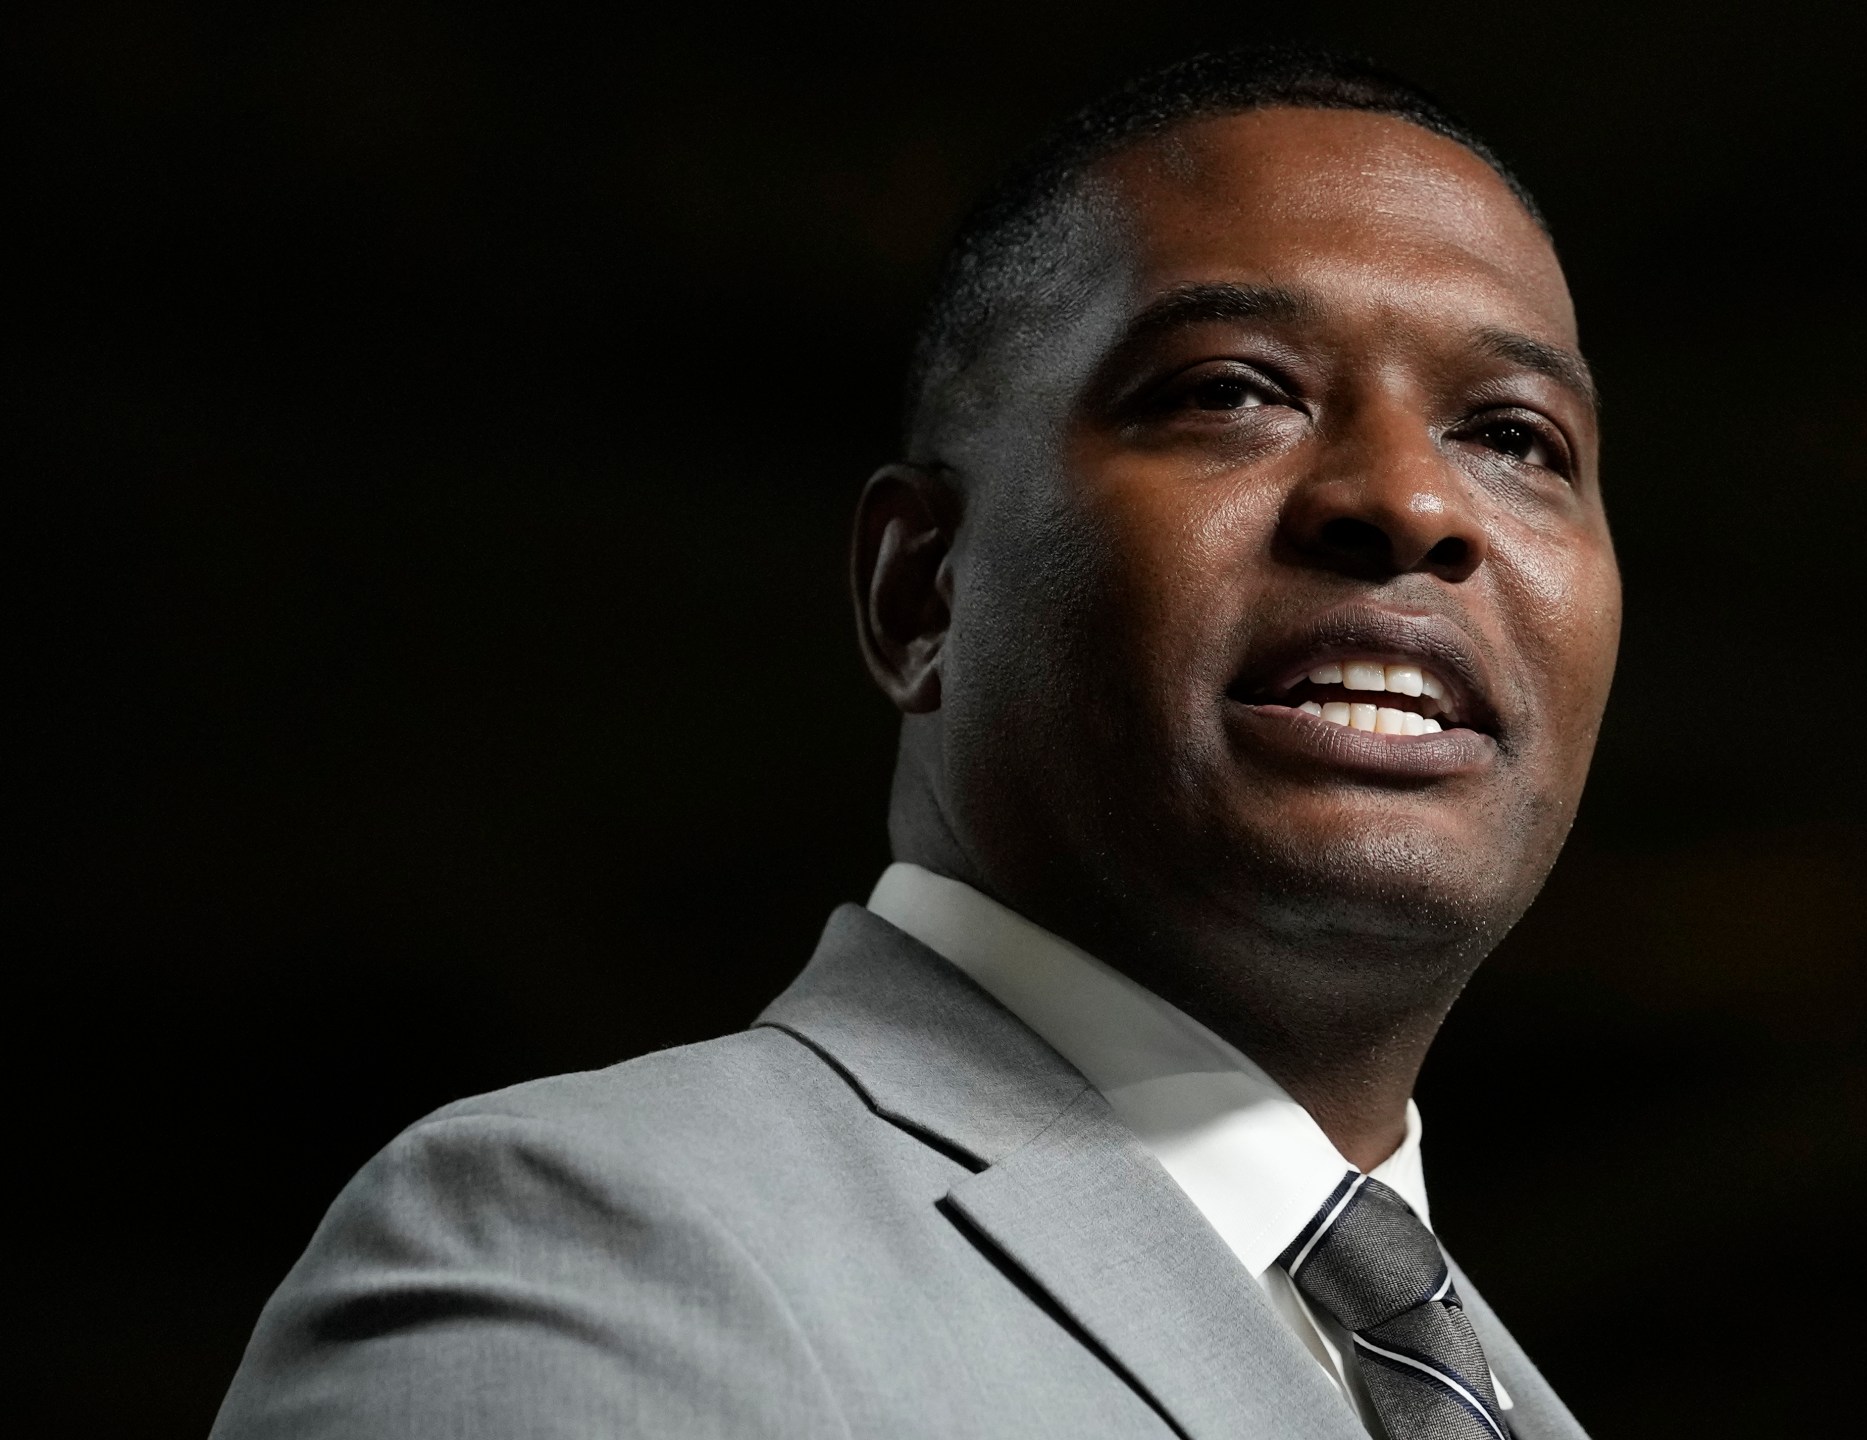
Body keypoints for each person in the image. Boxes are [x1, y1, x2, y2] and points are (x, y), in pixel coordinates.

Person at [212, 46, 1618, 1440]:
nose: (1414, 498)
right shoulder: (588, 1247)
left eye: (1514, 433)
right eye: (1231, 389)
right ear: (919, 588)